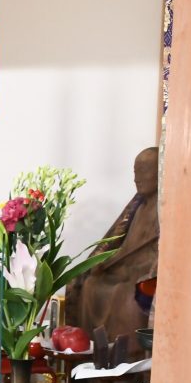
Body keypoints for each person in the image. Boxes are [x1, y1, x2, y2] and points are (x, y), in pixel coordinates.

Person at [66, 147, 160, 354]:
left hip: (145, 273)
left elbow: (158, 253)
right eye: (135, 171)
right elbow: (122, 244)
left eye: (144, 171)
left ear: (160, 171)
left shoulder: (163, 208)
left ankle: (125, 360)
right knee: (91, 284)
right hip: (125, 267)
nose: (137, 178)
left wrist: (132, 269)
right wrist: (106, 261)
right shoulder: (139, 207)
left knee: (125, 294)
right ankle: (92, 355)